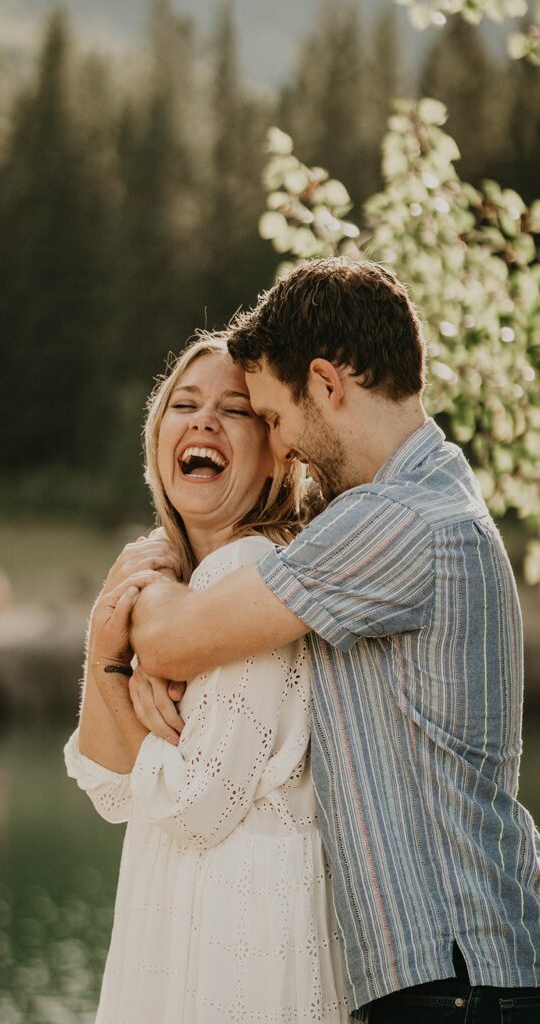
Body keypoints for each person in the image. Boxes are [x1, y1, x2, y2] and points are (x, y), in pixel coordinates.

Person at [120, 258, 540, 1022]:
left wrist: (141, 585)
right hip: (461, 974)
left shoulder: (393, 522)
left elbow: (174, 640)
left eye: (274, 419)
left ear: (326, 383)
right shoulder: (433, 499)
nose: (282, 450)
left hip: (455, 982)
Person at [65, 335, 351, 1023]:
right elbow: (111, 785)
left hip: (238, 940)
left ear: (274, 454)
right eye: (184, 404)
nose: (201, 422)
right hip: (187, 919)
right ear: (155, 436)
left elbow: (196, 804)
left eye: (233, 410)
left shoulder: (249, 573)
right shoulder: (182, 590)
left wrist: (113, 671)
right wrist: (113, 653)